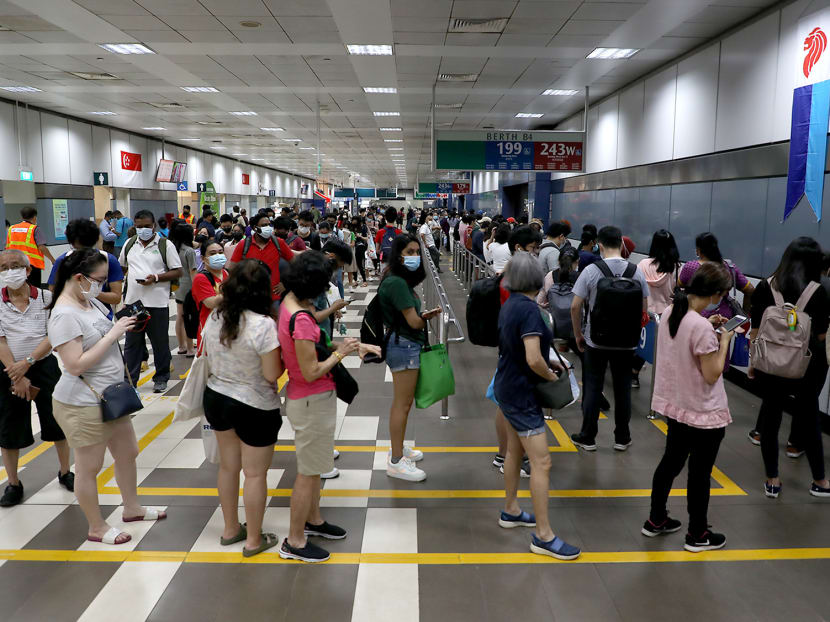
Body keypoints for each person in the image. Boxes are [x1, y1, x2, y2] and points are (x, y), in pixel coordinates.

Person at [48, 248, 166, 545]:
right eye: (99, 280)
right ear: (79, 278)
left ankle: (132, 507)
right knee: (90, 467)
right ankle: (96, 527)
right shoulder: (64, 313)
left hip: (111, 396)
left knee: (127, 452)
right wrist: (114, 334)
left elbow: (103, 335)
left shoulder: (90, 302)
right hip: (82, 402)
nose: (103, 285)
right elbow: (74, 365)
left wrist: (125, 323)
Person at [278, 252, 366, 563]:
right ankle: (295, 540)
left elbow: (311, 339)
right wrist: (341, 353)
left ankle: (313, 520)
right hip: (312, 398)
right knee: (309, 472)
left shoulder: (290, 304)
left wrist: (352, 345)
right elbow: (312, 369)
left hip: (308, 399)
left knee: (314, 470)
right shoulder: (300, 319)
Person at [494, 252, 581, 560]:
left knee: (515, 453)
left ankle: (511, 509)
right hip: (521, 394)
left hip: (506, 387)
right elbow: (533, 358)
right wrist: (552, 374)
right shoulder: (530, 311)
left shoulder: (510, 304)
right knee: (542, 463)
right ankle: (544, 536)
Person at [644, 262, 734, 552]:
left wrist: (711, 326)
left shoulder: (673, 311)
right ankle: (698, 534)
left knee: (671, 461)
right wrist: (725, 342)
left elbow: (687, 339)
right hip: (703, 411)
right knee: (699, 473)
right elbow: (712, 373)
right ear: (717, 294)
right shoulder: (701, 327)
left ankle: (656, 519)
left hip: (677, 406)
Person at [201, 259, 283, 556]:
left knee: (228, 466)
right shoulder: (263, 326)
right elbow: (272, 374)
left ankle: (230, 529)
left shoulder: (215, 316)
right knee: (255, 474)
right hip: (254, 404)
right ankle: (253, 541)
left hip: (216, 397)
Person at [749, 237, 830, 498]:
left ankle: (772, 480)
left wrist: (754, 362)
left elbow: (755, 331)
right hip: (807, 368)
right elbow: (819, 336)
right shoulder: (819, 291)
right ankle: (820, 481)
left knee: (770, 422)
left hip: (770, 367)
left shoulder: (765, 287)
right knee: (809, 422)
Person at [0, 249, 73, 507]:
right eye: (4, 267)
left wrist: (28, 363)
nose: (10, 271)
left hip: (43, 366)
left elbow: (52, 335)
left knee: (56, 421)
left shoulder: (46, 297)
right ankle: (13, 483)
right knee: (9, 428)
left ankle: (65, 471)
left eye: (16, 266)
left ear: (28, 270)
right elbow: (1, 341)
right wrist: (16, 374)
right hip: (7, 370)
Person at [570, 226, 649, 452]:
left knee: (593, 386)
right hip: (626, 342)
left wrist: (578, 334)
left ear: (600, 245)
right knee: (623, 388)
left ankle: (588, 436)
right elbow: (644, 310)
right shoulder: (636, 271)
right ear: (621, 244)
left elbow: (576, 306)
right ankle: (622, 437)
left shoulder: (591, 270)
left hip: (596, 340)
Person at [379, 234, 441, 482]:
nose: (414, 256)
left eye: (417, 252)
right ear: (398, 254)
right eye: (409, 252)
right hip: (403, 346)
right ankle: (395, 461)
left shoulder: (396, 279)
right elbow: (413, 321)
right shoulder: (396, 283)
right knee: (402, 404)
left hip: (402, 343)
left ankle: (399, 447)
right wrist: (425, 317)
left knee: (403, 403)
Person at [119, 210, 183, 393]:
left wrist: (155, 277)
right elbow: (122, 266)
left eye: (147, 226)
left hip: (157, 303)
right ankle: (130, 380)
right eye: (139, 227)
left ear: (153, 225)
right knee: (132, 343)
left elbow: (177, 271)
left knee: (160, 343)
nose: (143, 230)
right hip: (133, 303)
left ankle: (161, 377)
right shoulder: (129, 244)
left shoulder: (165, 245)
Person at [632, 230, 681, 388]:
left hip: (644, 313)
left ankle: (633, 374)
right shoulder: (675, 267)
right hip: (666, 314)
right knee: (663, 349)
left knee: (641, 345)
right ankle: (663, 383)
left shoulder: (643, 265)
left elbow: (636, 289)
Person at [48, 219, 124, 319]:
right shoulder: (63, 260)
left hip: (101, 317)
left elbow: (116, 298)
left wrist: (94, 293)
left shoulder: (108, 260)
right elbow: (53, 291)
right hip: (71, 316)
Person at [229, 212, 294, 313]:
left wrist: (286, 284)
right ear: (255, 228)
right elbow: (232, 269)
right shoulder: (244, 244)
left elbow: (295, 264)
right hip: (249, 298)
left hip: (273, 298)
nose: (268, 227)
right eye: (264, 225)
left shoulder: (279, 243)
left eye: (269, 224)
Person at [5, 206, 55, 287]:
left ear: (22, 217)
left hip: (15, 264)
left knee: (19, 286)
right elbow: (41, 247)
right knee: (33, 288)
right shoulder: (34, 229)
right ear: (35, 217)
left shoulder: (12, 229)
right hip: (32, 265)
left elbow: (8, 246)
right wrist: (52, 260)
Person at [192, 240, 229, 345]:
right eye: (212, 254)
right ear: (203, 258)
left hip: (227, 327)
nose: (218, 256)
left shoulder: (227, 273)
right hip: (210, 330)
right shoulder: (201, 278)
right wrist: (233, 290)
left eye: (221, 252)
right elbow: (211, 303)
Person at [171, 223, 197, 357]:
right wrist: (197, 289)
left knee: (180, 316)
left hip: (177, 285)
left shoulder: (173, 249)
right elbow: (193, 272)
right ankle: (190, 347)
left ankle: (181, 346)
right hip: (188, 286)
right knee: (189, 317)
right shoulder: (189, 251)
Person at [374, 207, 402, 271]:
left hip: (384, 259)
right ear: (395, 218)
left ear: (385, 217)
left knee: (385, 278)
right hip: (396, 261)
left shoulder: (380, 232)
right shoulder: (399, 232)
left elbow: (377, 250)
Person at [351, 216, 369, 286]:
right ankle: (355, 280)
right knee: (354, 264)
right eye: (353, 220)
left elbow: (366, 238)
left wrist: (359, 236)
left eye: (355, 220)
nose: (353, 221)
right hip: (353, 247)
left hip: (360, 247)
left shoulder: (363, 228)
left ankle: (364, 281)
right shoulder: (351, 228)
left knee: (360, 264)